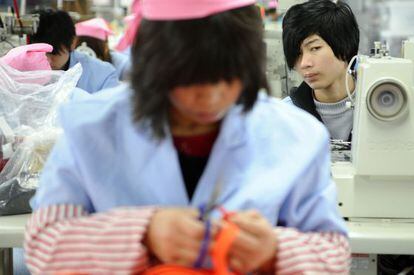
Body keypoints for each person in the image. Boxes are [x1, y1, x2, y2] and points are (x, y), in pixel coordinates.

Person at [24, 0, 350, 274]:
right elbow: (44, 243)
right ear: (155, 68)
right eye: (190, 79)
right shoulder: (92, 128)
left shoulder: (295, 135)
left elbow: (333, 251)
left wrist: (275, 250)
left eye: (228, 77)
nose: (210, 97)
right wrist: (143, 233)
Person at [282, 0, 359, 142]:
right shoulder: (286, 116)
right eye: (297, 54)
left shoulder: (381, 106)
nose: (304, 63)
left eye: (315, 48)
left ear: (345, 46)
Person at [28, 9, 120, 94]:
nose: (47, 60)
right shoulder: (22, 72)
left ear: (72, 43)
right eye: (39, 53)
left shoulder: (103, 75)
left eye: (53, 53)